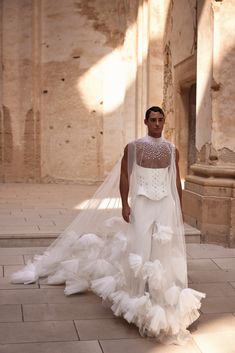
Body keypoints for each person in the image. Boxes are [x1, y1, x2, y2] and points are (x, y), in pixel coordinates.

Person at [12, 106, 205, 345]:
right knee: (140, 246)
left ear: (164, 122)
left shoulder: (171, 149)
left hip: (165, 203)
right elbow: (125, 175)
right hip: (143, 202)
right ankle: (135, 298)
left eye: (160, 120)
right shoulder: (134, 147)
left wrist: (179, 209)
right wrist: (125, 203)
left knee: (164, 248)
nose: (157, 124)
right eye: (153, 120)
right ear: (145, 121)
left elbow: (175, 180)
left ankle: (161, 294)